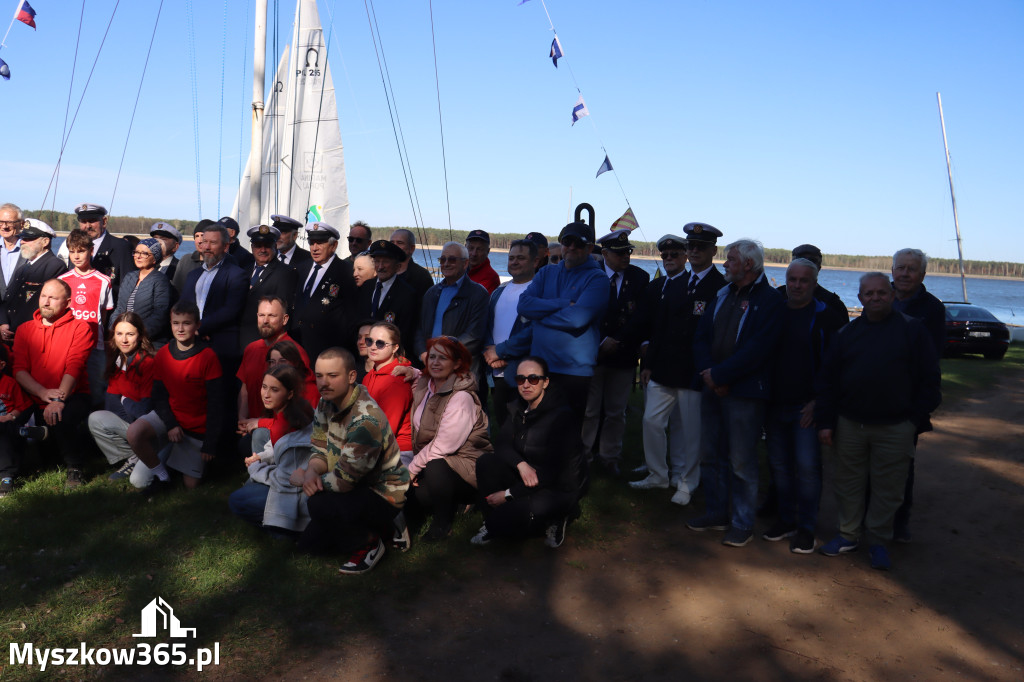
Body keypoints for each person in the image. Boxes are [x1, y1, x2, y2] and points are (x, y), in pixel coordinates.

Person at [815, 272, 941, 570]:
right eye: (869, 294)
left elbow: (930, 380)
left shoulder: (913, 331)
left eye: (881, 293)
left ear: (893, 295)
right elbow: (828, 382)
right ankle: (848, 535)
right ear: (860, 298)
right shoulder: (846, 334)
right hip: (850, 424)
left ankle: (878, 541)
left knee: (889, 488)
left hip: (896, 427)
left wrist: (914, 419)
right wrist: (825, 422)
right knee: (848, 484)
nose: (875, 298)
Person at [688, 239, 784, 547]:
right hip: (713, 386)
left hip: (744, 392)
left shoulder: (769, 301)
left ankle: (742, 522)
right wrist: (710, 374)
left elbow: (758, 350)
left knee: (742, 460)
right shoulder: (723, 294)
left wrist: (720, 374)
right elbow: (701, 337)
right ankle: (717, 513)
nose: (725, 263)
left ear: (748, 265)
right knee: (711, 454)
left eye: (731, 259)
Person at [627, 224, 725, 503]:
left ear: (712, 251)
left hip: (694, 372)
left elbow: (716, 335)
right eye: (691, 246)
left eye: (700, 247)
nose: (694, 251)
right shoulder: (677, 283)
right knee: (651, 421)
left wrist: (710, 369)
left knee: (692, 433)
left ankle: (686, 482)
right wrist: (648, 364)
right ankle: (658, 474)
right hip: (664, 368)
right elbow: (661, 327)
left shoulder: (720, 287)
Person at [292, 348, 410, 575]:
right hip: (353, 484)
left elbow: (343, 482)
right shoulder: (326, 402)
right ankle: (380, 528)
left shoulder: (365, 420)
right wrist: (310, 473)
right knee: (309, 547)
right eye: (319, 376)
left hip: (382, 492)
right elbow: (319, 447)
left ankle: (371, 542)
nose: (324, 383)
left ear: (351, 377)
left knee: (317, 504)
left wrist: (304, 480)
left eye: (332, 376)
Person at [763, 258, 844, 553]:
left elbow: (835, 368)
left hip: (806, 409)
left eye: (803, 280)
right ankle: (786, 519)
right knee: (780, 467)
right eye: (792, 279)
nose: (796, 285)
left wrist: (818, 403)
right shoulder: (773, 312)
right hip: (773, 404)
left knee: (808, 469)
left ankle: (807, 527)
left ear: (814, 282)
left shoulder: (826, 318)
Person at [472, 357, 582, 548]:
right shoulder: (517, 407)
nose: (526, 385)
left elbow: (554, 473)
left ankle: (558, 517)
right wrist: (521, 465)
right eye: (520, 379)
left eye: (533, 379)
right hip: (527, 478)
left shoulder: (562, 417)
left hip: (556, 487)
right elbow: (502, 444)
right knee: (486, 462)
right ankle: (490, 523)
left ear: (545, 382)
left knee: (511, 523)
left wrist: (508, 494)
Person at [125, 301, 224, 494]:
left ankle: (182, 458)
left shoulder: (208, 357)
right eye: (175, 323)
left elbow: (216, 404)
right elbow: (159, 396)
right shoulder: (162, 354)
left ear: (197, 325)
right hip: (171, 420)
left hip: (196, 428)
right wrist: (170, 424)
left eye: (186, 323)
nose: (180, 328)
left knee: (191, 486)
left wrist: (210, 444)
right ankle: (162, 474)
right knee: (137, 469)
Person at [518, 217, 608, 422]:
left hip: (573, 372)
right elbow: (523, 305)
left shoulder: (597, 279)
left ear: (590, 247)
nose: (572, 247)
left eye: (579, 243)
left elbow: (577, 319)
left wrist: (539, 316)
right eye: (567, 242)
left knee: (567, 434)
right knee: (536, 428)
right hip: (540, 367)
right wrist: (562, 303)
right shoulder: (546, 272)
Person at [12, 279, 95, 489]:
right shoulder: (24, 329)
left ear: (67, 302)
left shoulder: (81, 328)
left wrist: (57, 400)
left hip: (72, 394)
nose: (46, 302)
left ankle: (75, 468)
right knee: (11, 425)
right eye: (43, 296)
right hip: (35, 395)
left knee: (62, 417)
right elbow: (19, 370)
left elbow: (74, 367)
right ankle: (8, 474)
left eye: (53, 298)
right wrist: (42, 393)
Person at [407, 336, 491, 541]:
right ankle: (453, 505)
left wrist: (411, 470)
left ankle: (442, 524)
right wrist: (410, 371)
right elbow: (421, 376)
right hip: (436, 464)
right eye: (432, 356)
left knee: (435, 466)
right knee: (416, 496)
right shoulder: (426, 384)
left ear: (457, 363)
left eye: (443, 358)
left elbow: (444, 445)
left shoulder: (461, 397)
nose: (435, 362)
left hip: (468, 467)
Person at [582, 229, 650, 477]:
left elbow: (641, 317)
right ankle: (584, 457)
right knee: (589, 411)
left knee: (616, 411)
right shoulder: (590, 275)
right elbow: (583, 312)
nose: (625, 257)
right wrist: (600, 342)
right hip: (592, 354)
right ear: (605, 253)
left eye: (628, 252)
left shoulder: (640, 278)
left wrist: (619, 339)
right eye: (620, 252)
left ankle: (610, 456)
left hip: (622, 355)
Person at [889, 247, 946, 543]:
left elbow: (931, 361)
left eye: (912, 269)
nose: (905, 273)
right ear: (892, 269)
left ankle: (899, 522)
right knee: (865, 466)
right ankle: (864, 520)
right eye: (900, 267)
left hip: (906, 404)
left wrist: (918, 409)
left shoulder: (932, 309)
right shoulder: (880, 297)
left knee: (901, 467)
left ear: (922, 274)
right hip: (870, 399)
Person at [229, 364, 315, 536]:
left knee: (237, 500)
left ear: (290, 393)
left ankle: (285, 531)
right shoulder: (298, 408)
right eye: (264, 387)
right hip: (297, 477)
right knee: (260, 437)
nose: (266, 394)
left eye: (274, 390)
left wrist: (255, 468)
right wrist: (260, 457)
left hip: (297, 491)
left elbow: (285, 479)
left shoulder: (285, 425)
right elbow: (277, 447)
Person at [87, 312, 156, 481]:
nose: (124, 340)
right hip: (134, 425)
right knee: (96, 418)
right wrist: (127, 403)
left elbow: (144, 411)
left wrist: (124, 400)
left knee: (140, 482)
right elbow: (111, 403)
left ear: (140, 336)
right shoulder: (117, 361)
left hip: (152, 430)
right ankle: (134, 456)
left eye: (130, 334)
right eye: (119, 334)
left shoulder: (148, 363)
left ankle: (150, 456)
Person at [483, 239, 537, 429]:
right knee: (503, 423)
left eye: (521, 258)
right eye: (511, 258)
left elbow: (534, 331)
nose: (514, 262)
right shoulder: (499, 291)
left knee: (524, 426)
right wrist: (491, 353)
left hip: (523, 371)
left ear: (535, 261)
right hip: (496, 371)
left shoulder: (538, 291)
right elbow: (487, 325)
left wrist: (503, 352)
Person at [59, 229, 115, 407]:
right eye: (72, 251)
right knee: (65, 389)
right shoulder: (63, 280)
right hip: (67, 345)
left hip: (94, 346)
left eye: (81, 251)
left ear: (91, 251)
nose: (76, 256)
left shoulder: (104, 280)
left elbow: (104, 313)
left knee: (96, 392)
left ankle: (93, 429)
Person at [180, 222, 247, 368]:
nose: (207, 247)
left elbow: (231, 310)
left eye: (213, 243)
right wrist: (190, 329)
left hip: (221, 346)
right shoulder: (193, 275)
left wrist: (200, 328)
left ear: (225, 246)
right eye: (205, 242)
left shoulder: (236, 275)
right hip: (192, 342)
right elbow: (184, 305)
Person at [237, 297, 310, 431]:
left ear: (285, 319)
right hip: (249, 428)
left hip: (281, 431)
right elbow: (245, 389)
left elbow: (303, 398)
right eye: (261, 315)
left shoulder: (295, 352)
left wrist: (262, 423)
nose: (265, 321)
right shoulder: (250, 349)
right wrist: (243, 420)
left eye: (271, 316)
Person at [414, 242, 489, 372]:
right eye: (443, 259)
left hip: (461, 367)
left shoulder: (478, 293)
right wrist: (423, 353)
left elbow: (474, 335)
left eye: (452, 260)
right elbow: (420, 328)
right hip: (430, 364)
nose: (446, 263)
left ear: (465, 263)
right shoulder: (431, 293)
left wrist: (443, 355)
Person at [290, 222, 359, 362]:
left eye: (320, 243)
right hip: (297, 347)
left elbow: (351, 316)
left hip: (326, 350)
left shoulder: (346, 272)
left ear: (333, 246)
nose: (315, 248)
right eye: (311, 243)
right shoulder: (300, 269)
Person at [0, 219, 67, 341]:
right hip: (11, 334)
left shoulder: (55, 266)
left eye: (28, 239)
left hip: (31, 337)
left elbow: (41, 305)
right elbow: (8, 299)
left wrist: (18, 330)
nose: (22, 242)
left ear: (45, 241)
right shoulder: (22, 268)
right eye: (22, 238)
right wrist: (3, 323)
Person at [361, 321, 414, 466]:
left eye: (380, 343)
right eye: (369, 341)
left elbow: (386, 429)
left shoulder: (397, 381)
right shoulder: (368, 376)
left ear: (395, 347)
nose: (372, 346)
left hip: (397, 450)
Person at [239, 224, 297, 348]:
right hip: (241, 342)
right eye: (258, 246)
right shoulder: (244, 271)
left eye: (267, 246)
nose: (263, 250)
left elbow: (283, 311)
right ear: (252, 247)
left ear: (275, 246)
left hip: (267, 343)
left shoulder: (285, 273)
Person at [358, 239, 418, 354]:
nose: (380, 266)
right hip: (364, 354)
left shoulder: (407, 294)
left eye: (385, 262)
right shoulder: (366, 287)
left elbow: (405, 333)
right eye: (377, 261)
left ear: (398, 266)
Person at [110, 237, 172, 347]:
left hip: (148, 342)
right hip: (123, 339)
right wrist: (114, 329)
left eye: (144, 253)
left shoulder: (160, 280)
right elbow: (119, 308)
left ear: (154, 258)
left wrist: (138, 334)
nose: (138, 256)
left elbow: (160, 314)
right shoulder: (129, 277)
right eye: (136, 252)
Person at [67, 203, 135, 302]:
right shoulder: (74, 248)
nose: (88, 226)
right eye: (83, 222)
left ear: (104, 221)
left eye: (92, 221)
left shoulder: (121, 247)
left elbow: (128, 288)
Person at [0, 343, 32, 497]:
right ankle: (22, 432)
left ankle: (6, 477)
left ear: (2, 365)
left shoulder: (9, 383)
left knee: (4, 429)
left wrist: (10, 416)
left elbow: (22, 406)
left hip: (7, 424)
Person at [265, 339, 320, 409]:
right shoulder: (271, 387)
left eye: (282, 361)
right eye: (272, 362)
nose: (276, 366)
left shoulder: (310, 390)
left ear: (295, 363)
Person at [390, 228, 434, 299]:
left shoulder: (422, 277)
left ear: (412, 248)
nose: (394, 246)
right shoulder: (382, 272)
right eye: (392, 243)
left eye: (400, 243)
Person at [171, 220, 213, 294]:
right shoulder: (186, 260)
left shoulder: (224, 262)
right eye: (197, 236)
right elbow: (175, 289)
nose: (199, 240)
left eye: (203, 235)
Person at [0, 202, 25, 303]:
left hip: (22, 313)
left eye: (10, 222)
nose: (4, 227)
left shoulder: (30, 250)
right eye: (1, 222)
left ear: (21, 224)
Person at [465, 229, 500, 294]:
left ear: (487, 251)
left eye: (479, 249)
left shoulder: (491, 277)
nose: (474, 253)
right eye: (471, 248)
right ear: (465, 248)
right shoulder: (460, 270)